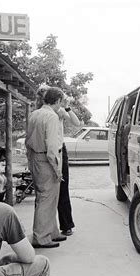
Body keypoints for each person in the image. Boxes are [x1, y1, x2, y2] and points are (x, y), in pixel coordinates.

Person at [26, 87, 66, 248]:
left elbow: (28, 140)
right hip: (47, 160)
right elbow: (51, 147)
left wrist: (30, 161)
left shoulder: (34, 114)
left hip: (36, 158)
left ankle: (52, 231)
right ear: (57, 101)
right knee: (46, 198)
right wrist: (57, 169)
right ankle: (41, 237)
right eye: (60, 101)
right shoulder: (51, 117)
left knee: (47, 197)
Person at [57, 96, 80, 236]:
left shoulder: (59, 110)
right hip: (54, 147)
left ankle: (65, 225)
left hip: (58, 147)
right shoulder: (47, 112)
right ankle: (62, 226)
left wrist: (67, 107)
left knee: (62, 187)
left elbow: (76, 122)